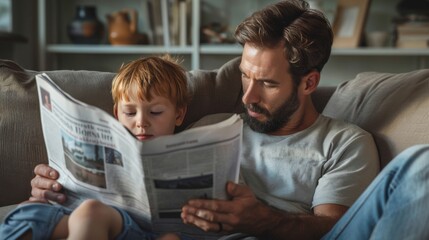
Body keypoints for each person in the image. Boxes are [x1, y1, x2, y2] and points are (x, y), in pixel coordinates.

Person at [26, 0, 383, 239]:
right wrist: (63, 189)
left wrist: (264, 220)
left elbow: (339, 229)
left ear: (309, 82)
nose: (248, 97)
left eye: (268, 84)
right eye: (245, 76)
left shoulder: (344, 143)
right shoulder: (214, 126)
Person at [0, 56, 189, 240]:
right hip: (73, 215)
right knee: (28, 211)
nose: (141, 122)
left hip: (128, 227)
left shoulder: (187, 155)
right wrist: (50, 186)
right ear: (117, 113)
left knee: (93, 212)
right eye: (130, 112)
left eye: (156, 112)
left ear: (179, 114)